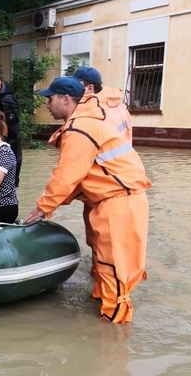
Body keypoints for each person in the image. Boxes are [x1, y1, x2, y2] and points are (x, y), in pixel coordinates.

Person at [25, 76, 151, 323]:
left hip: (117, 203)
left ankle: (114, 335)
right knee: (105, 265)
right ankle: (104, 318)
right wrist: (48, 206)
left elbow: (66, 176)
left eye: (49, 99)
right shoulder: (89, 122)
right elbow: (79, 177)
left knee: (113, 269)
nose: (46, 105)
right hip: (117, 200)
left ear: (65, 99)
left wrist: (43, 207)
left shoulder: (80, 128)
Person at [71, 66, 134, 299]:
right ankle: (99, 285)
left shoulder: (95, 112)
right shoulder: (119, 108)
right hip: (115, 183)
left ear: (88, 88)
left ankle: (111, 315)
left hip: (107, 187)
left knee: (106, 248)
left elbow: (83, 156)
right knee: (105, 246)